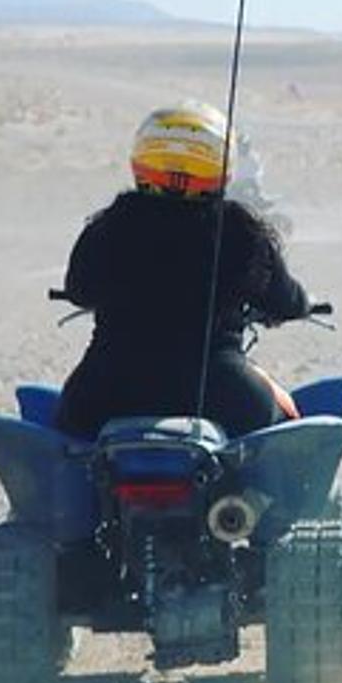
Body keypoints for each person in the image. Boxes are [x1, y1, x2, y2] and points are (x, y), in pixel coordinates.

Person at [55, 102, 313, 441]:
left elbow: (78, 290)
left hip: (105, 393)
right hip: (223, 394)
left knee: (62, 433)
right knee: (289, 425)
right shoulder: (241, 231)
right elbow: (286, 300)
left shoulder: (110, 225)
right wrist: (301, 306)